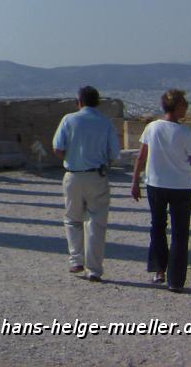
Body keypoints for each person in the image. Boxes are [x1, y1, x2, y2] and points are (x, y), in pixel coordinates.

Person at [130, 88, 191, 293]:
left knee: (158, 226)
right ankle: (176, 280)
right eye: (184, 104)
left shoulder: (152, 128)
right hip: (179, 187)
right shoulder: (185, 132)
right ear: (177, 107)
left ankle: (159, 270)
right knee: (179, 233)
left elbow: (141, 157)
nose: (186, 108)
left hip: (155, 184)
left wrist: (134, 181)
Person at [52, 86, 121, 282]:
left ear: (79, 102)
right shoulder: (105, 123)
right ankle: (94, 269)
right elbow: (114, 154)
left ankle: (76, 260)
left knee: (73, 218)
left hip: (73, 174)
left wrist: (72, 156)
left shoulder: (69, 119)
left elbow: (58, 148)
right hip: (96, 175)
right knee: (96, 223)